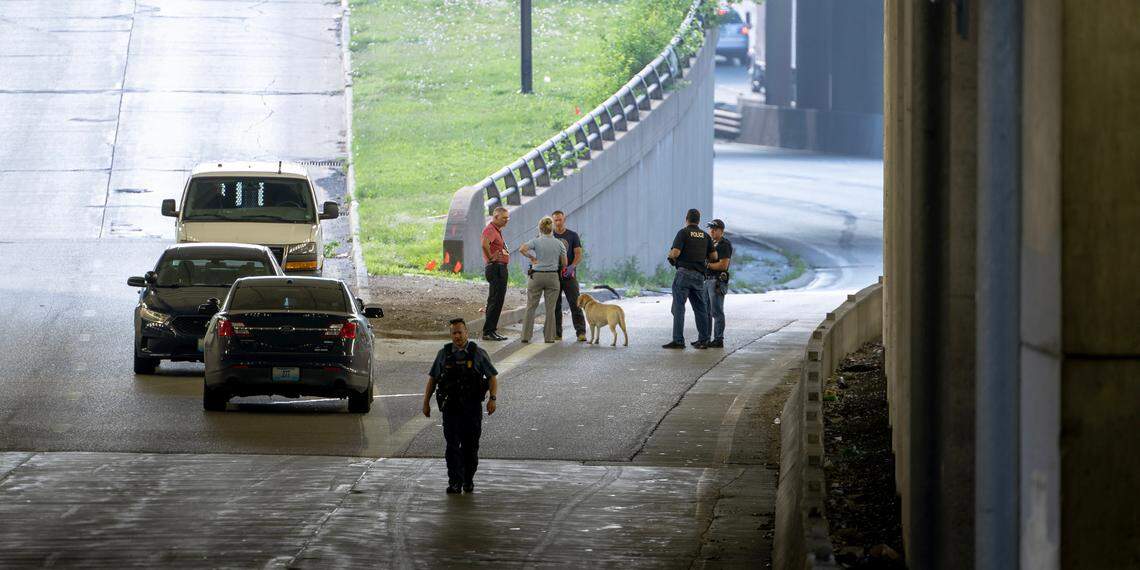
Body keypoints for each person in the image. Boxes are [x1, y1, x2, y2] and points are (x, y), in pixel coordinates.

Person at [422, 318, 499, 494]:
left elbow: (493, 378)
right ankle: (454, 481)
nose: (457, 336)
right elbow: (433, 379)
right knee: (452, 447)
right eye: (454, 333)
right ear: (451, 335)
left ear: (467, 333)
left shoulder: (478, 353)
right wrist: (426, 402)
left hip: (472, 409)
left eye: (460, 332)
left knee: (470, 447)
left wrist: (492, 399)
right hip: (451, 408)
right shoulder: (444, 354)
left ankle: (468, 479)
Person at [663, 208, 717, 349]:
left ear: (686, 219)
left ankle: (678, 341)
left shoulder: (683, 233)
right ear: (698, 221)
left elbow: (675, 252)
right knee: (700, 309)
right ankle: (704, 340)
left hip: (684, 274)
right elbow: (714, 257)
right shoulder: (705, 236)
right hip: (699, 276)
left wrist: (671, 257)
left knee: (679, 308)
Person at [518, 216, 567, 343]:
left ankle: (525, 337)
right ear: (552, 228)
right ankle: (549, 337)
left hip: (537, 276)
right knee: (550, 309)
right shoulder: (559, 243)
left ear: (540, 228)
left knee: (531, 307)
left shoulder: (535, 241)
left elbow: (522, 249)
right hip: (552, 277)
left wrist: (532, 258)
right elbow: (565, 263)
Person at [551, 210, 587, 342]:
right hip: (553, 274)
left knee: (575, 302)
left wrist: (572, 266)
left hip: (569, 275)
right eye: (555, 220)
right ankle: (557, 333)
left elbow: (578, 254)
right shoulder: (549, 236)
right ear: (552, 221)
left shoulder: (572, 235)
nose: (558, 222)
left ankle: (581, 332)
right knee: (555, 304)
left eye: (560, 219)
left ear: (564, 219)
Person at [701, 219, 732, 348]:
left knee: (716, 311)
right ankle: (705, 339)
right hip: (706, 280)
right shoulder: (710, 243)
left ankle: (718, 339)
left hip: (717, 281)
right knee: (705, 311)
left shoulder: (724, 244)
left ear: (721, 231)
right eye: (710, 228)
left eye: (715, 228)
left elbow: (723, 265)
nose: (712, 230)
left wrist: (707, 265)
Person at [481, 207, 510, 341]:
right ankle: (488, 331)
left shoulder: (497, 230)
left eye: (507, 217)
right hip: (496, 268)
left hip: (500, 267)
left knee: (497, 300)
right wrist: (491, 258)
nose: (506, 220)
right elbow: (484, 244)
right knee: (495, 300)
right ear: (496, 217)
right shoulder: (490, 229)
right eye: (504, 218)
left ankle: (491, 330)